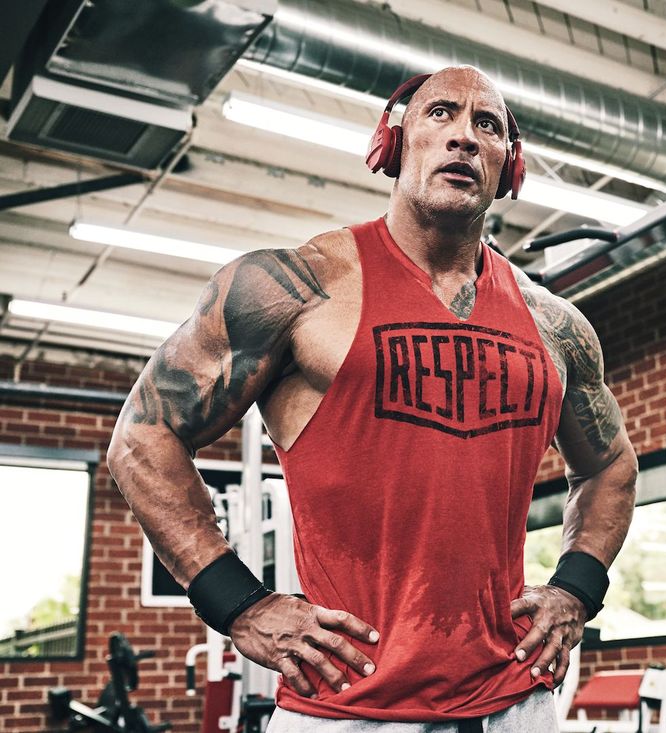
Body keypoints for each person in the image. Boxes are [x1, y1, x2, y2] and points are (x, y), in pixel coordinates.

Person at [107, 65, 638, 732]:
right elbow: (142, 437)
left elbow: (610, 464)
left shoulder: (555, 326)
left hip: (517, 701)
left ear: (509, 164)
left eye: (487, 126)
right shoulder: (295, 287)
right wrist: (235, 603)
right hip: (345, 701)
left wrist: (575, 589)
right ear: (393, 144)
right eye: (439, 114)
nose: (464, 138)